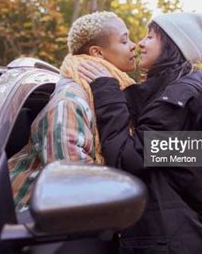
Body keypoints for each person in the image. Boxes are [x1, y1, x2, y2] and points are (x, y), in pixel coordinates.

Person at [79, 12, 202, 253]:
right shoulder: (181, 89)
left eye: (151, 37)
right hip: (190, 234)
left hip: (176, 240)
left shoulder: (177, 99)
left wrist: (107, 92)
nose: (140, 44)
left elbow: (126, 157)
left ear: (171, 45)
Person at [8, 11, 136, 211]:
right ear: (97, 52)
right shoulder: (70, 101)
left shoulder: (125, 96)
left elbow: (193, 150)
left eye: (151, 37)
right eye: (124, 41)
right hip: (49, 228)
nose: (136, 45)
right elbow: (74, 187)